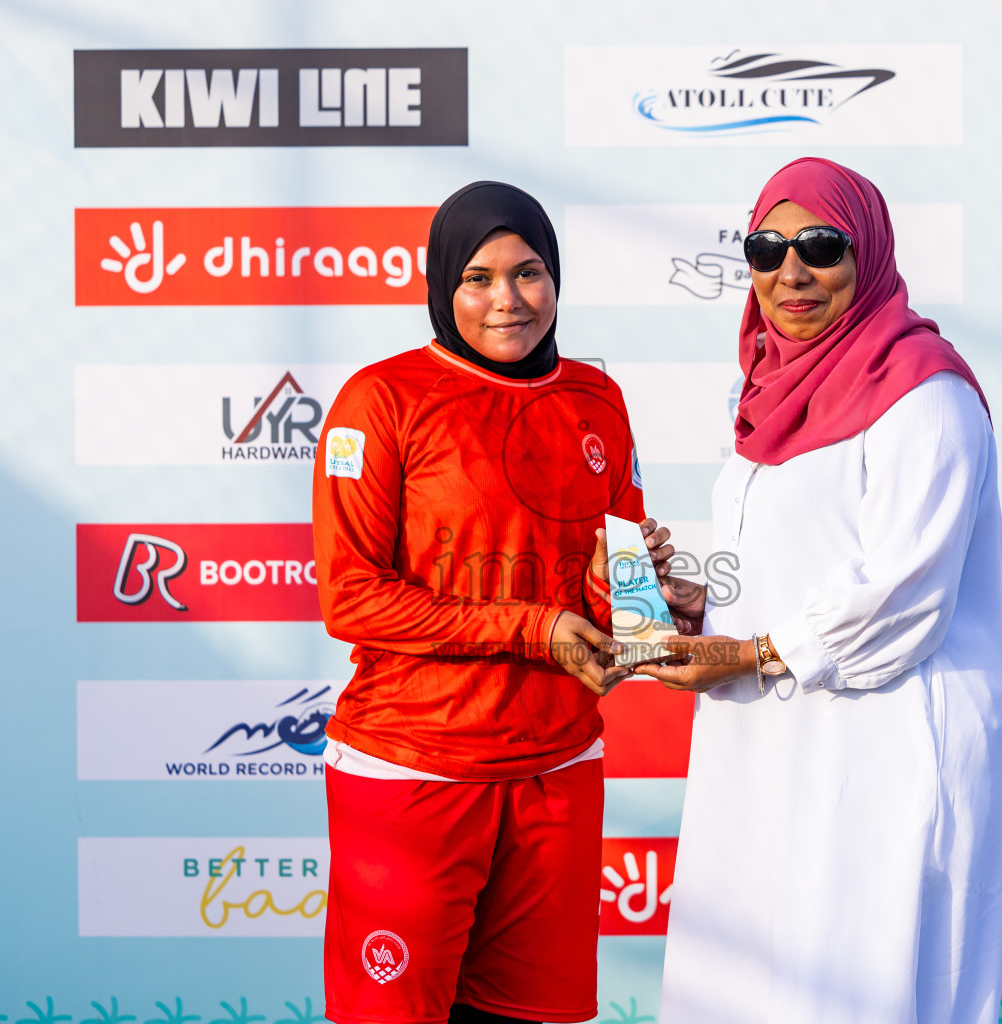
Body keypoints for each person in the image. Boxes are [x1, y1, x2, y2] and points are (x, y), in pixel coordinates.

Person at [640, 158, 1002, 1024]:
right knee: (750, 981)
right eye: (767, 249)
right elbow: (798, 557)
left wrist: (744, 652)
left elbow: (901, 590)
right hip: (770, 735)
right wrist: (704, 607)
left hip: (883, 742)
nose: (791, 273)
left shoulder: (923, 392)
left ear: (870, 253)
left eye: (820, 245)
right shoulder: (765, 393)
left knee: (861, 985)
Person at [311, 181, 666, 1024]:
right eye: (477, 277)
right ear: (441, 284)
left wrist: (647, 592)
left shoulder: (596, 398)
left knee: (531, 1018)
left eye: (529, 272)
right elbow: (351, 600)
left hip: (558, 767)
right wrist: (535, 626)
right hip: (415, 769)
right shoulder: (381, 401)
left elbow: (614, 598)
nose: (507, 300)